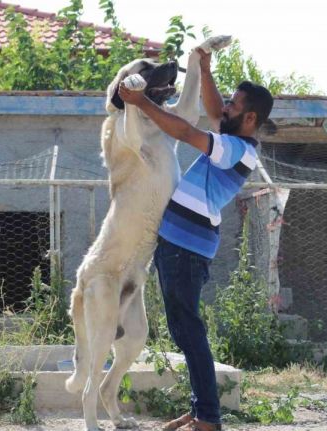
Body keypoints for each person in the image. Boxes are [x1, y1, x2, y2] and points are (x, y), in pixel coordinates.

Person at [118, 48, 273, 431]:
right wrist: (203, 68)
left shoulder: (237, 150)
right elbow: (214, 105)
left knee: (189, 332)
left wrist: (140, 103)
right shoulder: (234, 140)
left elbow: (186, 132)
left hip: (186, 250)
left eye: (234, 106)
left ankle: (208, 418)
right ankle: (201, 409)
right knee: (185, 331)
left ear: (250, 118)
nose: (225, 109)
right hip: (179, 247)